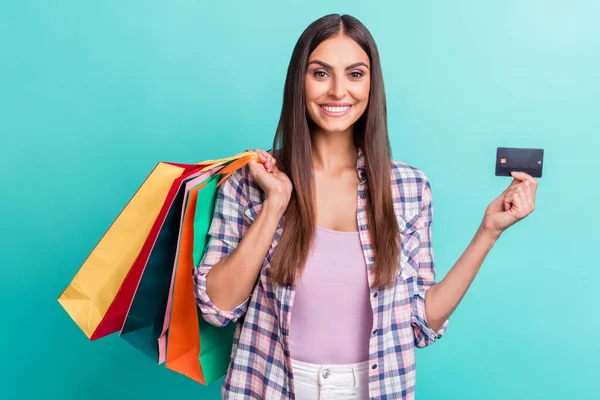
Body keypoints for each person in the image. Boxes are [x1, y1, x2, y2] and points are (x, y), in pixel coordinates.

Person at [193, 13, 538, 400]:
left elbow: (421, 323)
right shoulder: (251, 180)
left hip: (374, 389)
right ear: (298, 82)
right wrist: (275, 204)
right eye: (320, 73)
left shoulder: (408, 188)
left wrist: (488, 231)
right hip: (269, 385)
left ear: (373, 85)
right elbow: (217, 308)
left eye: (355, 74)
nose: (339, 91)